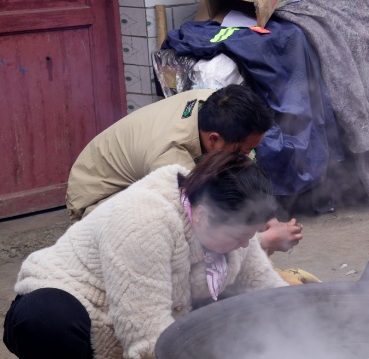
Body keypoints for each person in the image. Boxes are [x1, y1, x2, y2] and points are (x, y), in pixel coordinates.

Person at [4, 152, 296, 359]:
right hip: (78, 301)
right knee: (44, 322)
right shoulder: (143, 220)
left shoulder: (223, 219)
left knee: (238, 308)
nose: (247, 244)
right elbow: (148, 333)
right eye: (240, 236)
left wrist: (314, 331)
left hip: (143, 305)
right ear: (204, 216)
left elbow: (266, 289)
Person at [65, 84, 302, 254]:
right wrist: (262, 242)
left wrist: (264, 216)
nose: (247, 158)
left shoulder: (216, 103)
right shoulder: (171, 159)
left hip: (136, 177)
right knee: (172, 242)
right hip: (98, 200)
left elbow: (241, 181)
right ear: (213, 140)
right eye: (242, 152)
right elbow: (199, 232)